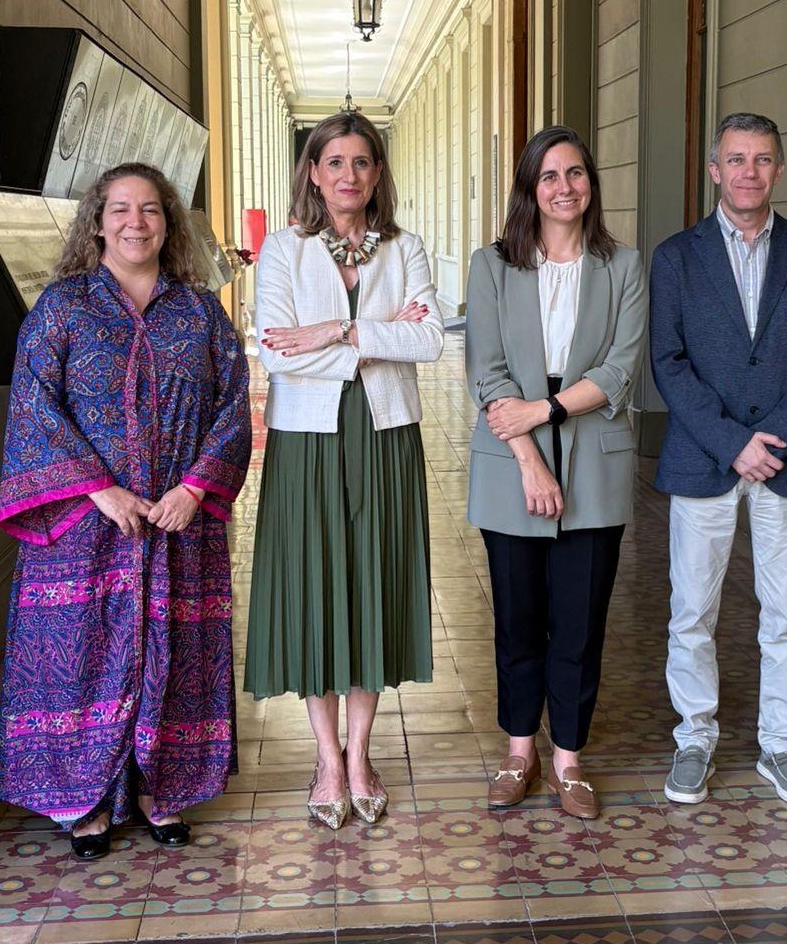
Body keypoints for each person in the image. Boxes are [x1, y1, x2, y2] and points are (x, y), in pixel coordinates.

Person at [0, 162, 250, 860]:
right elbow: (33, 404)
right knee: (84, 654)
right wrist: (95, 489)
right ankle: (87, 800)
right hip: (85, 527)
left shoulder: (201, 313)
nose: (135, 223)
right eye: (120, 210)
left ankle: (157, 788)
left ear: (169, 222)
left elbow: (233, 406)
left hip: (175, 522)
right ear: (97, 222)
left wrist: (194, 488)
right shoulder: (63, 308)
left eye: (150, 210)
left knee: (174, 651)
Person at [244, 112, 442, 829]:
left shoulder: (405, 247)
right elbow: (275, 353)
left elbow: (428, 342)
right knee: (316, 583)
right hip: (309, 440)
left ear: (378, 173)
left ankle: (362, 753)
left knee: (373, 584)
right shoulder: (283, 251)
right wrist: (376, 339)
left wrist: (338, 329)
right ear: (313, 172)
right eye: (334, 162)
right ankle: (327, 758)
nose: (348, 175)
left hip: (387, 434)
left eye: (362, 162)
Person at [650, 112, 787, 808]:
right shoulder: (676, 256)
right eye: (735, 159)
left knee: (785, 612)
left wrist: (772, 441)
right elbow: (666, 363)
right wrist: (732, 442)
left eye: (762, 159)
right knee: (691, 613)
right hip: (705, 461)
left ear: (779, 170)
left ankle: (780, 746)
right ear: (714, 170)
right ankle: (694, 738)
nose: (748, 172)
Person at [465, 126, 647, 820]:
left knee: (579, 623)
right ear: (529, 188)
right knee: (517, 621)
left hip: (593, 454)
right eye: (549, 176)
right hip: (509, 462)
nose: (564, 187)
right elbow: (486, 371)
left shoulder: (622, 266)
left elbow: (620, 369)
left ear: (590, 184)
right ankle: (520, 751)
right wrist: (531, 459)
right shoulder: (492, 266)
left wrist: (544, 409)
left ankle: (569, 759)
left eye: (575, 173)